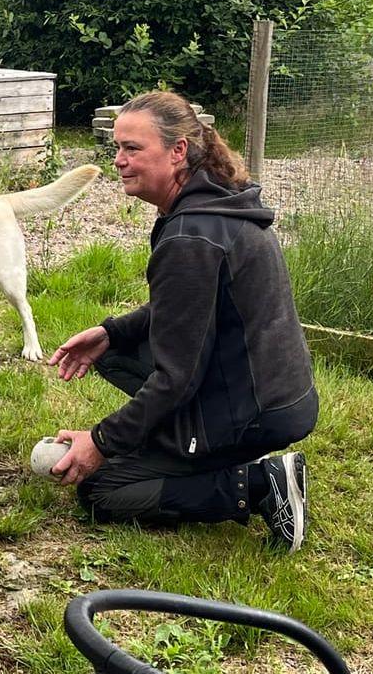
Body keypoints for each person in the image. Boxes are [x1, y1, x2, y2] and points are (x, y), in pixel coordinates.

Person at [48, 91, 318, 552]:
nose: (118, 160)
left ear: (178, 152)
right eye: (117, 147)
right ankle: (178, 446)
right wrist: (111, 333)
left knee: (104, 492)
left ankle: (259, 484)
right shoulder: (216, 203)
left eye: (133, 149)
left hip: (253, 412)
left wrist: (100, 442)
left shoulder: (191, 237)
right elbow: (189, 308)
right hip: (275, 393)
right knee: (114, 353)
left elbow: (177, 378)